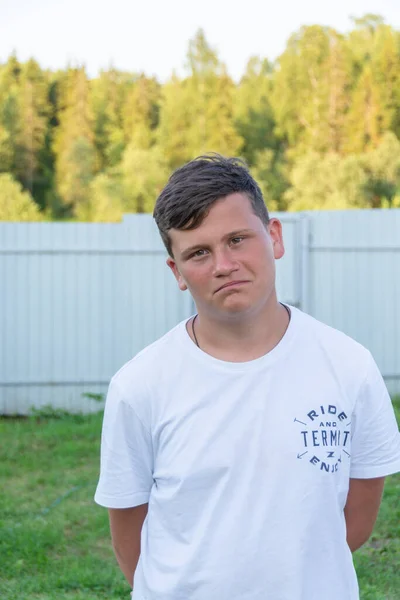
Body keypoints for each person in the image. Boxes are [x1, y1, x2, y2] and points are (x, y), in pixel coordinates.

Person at [94, 154, 400, 600]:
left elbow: (356, 518)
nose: (223, 264)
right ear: (176, 272)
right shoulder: (140, 386)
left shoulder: (348, 365)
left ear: (274, 237)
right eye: (198, 252)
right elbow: (129, 536)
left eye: (237, 239)